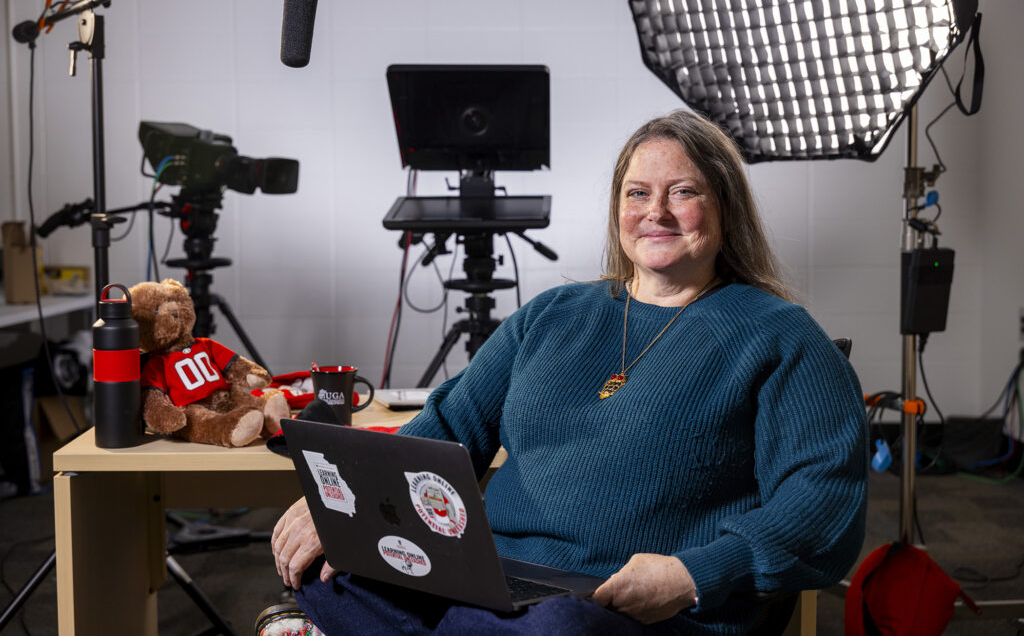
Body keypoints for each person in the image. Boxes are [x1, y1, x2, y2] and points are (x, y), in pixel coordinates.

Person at [271, 109, 868, 635]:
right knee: (326, 577)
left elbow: (822, 505)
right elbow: (448, 425)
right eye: (637, 194)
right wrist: (345, 503)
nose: (655, 212)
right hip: (489, 580)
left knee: (555, 628)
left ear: (725, 207)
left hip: (627, 605)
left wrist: (691, 575)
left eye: (682, 192)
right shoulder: (553, 316)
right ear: (617, 210)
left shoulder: (781, 336)